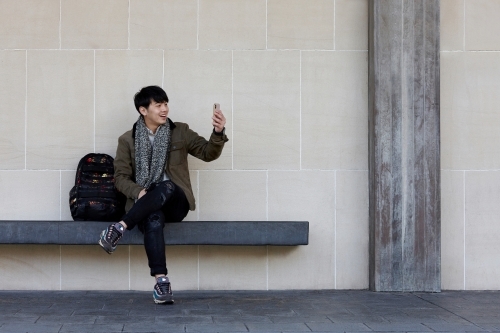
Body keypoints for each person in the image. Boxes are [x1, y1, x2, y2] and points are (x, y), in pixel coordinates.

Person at [98, 85, 228, 304]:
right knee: (153, 219)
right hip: (145, 205)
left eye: (166, 104)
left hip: (176, 202)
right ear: (143, 110)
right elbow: (120, 178)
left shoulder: (180, 131)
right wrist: (138, 191)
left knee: (166, 187)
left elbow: (208, 153)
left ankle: (120, 227)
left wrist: (217, 133)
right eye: (158, 105)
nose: (164, 109)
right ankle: (162, 282)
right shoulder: (127, 140)